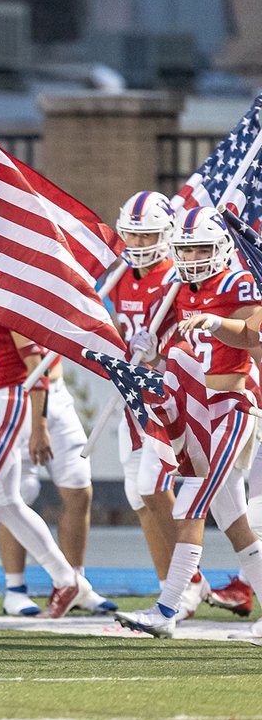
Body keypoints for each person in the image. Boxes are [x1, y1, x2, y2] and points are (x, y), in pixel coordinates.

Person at [117, 207, 262, 640]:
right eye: (186, 248)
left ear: (220, 248)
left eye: (201, 247)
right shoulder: (180, 287)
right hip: (200, 408)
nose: (193, 256)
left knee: (190, 503)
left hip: (234, 405)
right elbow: (173, 343)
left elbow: (255, 334)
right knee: (234, 521)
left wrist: (219, 323)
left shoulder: (240, 280)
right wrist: (150, 343)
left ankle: (167, 608)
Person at [0, 320, 94, 619]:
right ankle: (67, 579)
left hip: (4, 398)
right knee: (4, 501)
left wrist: (39, 424)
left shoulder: (6, 299)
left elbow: (36, 365)